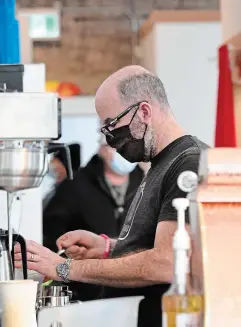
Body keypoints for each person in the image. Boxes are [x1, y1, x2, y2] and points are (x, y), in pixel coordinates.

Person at [15, 65, 209, 327]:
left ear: (144, 111)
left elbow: (167, 261)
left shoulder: (187, 164)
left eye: (112, 125)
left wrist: (63, 267)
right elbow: (156, 244)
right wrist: (107, 248)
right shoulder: (159, 164)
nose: (110, 138)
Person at [43, 136, 144, 301]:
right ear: (102, 149)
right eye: (119, 148)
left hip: (134, 289)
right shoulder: (75, 185)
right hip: (88, 290)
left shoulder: (146, 184)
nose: (126, 154)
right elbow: (51, 230)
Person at [43, 143, 81, 209]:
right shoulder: (57, 189)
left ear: (65, 166)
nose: (51, 167)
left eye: (54, 164)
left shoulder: (70, 192)